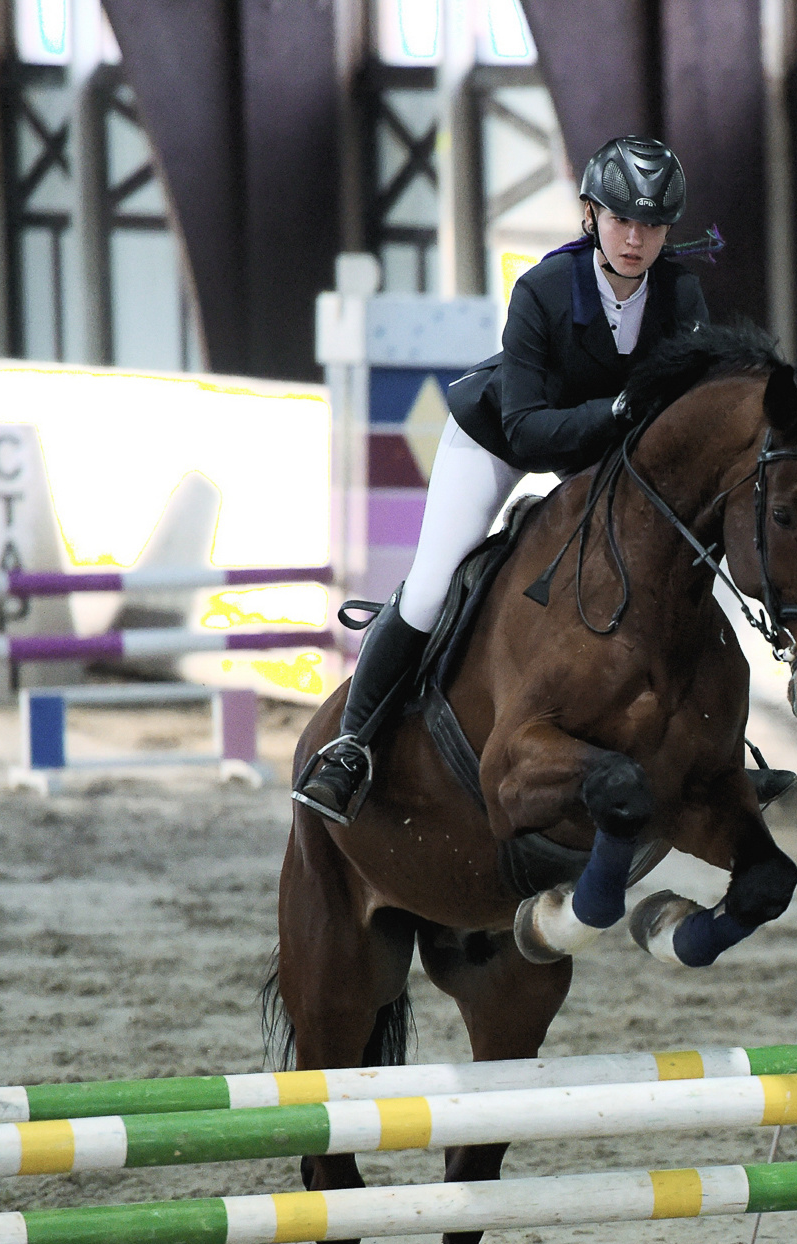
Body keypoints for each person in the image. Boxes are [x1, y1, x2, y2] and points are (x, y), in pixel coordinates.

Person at [295, 135, 711, 824]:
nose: (636, 238)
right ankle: (351, 746)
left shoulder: (682, 295)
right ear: (591, 216)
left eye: (653, 225)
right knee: (432, 584)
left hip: (605, 452)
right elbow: (526, 428)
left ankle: (712, 748)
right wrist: (616, 413)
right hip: (498, 437)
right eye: (621, 220)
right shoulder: (544, 289)